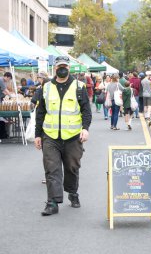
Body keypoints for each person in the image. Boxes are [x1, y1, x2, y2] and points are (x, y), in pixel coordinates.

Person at [34, 55, 92, 216]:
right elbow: (40, 112)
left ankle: (73, 193)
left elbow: (86, 111)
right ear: (55, 68)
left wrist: (85, 128)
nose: (62, 69)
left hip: (73, 137)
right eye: (59, 66)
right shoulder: (46, 87)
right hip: (50, 136)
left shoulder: (79, 86)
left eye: (65, 67)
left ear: (69, 68)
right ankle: (52, 202)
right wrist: (37, 135)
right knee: (51, 169)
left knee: (72, 168)